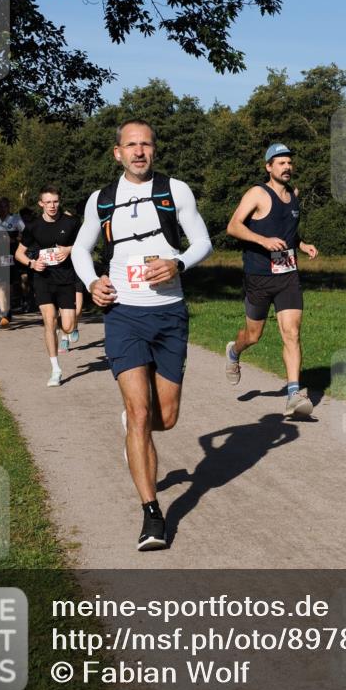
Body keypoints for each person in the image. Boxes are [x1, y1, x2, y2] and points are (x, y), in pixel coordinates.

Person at [72, 119, 212, 551]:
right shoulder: (103, 199)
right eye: (130, 145)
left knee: (164, 418)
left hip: (169, 313)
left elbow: (203, 242)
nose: (138, 152)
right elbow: (81, 248)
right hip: (123, 314)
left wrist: (179, 265)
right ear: (117, 152)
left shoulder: (176, 190)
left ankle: (137, 431)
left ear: (154, 150)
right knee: (138, 415)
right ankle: (152, 515)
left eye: (145, 144)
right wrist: (92, 281)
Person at [224, 142, 318, 419]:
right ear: (269, 167)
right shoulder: (257, 193)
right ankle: (234, 351)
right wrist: (262, 241)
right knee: (254, 335)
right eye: (280, 163)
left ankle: (293, 394)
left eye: (289, 162)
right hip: (259, 277)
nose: (287, 167)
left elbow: (287, 232)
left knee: (292, 332)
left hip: (288, 275)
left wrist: (302, 245)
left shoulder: (295, 195)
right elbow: (233, 226)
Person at [15, 186, 79, 387]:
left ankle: (68, 327)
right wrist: (32, 264)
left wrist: (69, 249)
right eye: (48, 202)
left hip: (66, 278)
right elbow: (19, 253)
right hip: (42, 278)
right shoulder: (33, 226)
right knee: (49, 320)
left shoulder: (71, 223)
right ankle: (55, 369)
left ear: (59, 202)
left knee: (67, 326)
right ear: (41, 203)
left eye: (55, 201)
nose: (52, 206)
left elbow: (86, 244)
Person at [0, 197, 24, 326]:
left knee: (8, 285)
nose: (3, 209)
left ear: (9, 207)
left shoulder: (15, 219)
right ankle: (3, 314)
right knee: (0, 283)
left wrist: (15, 240)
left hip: (10, 253)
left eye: (5, 206)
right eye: (0, 206)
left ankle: (8, 309)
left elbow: (25, 234)